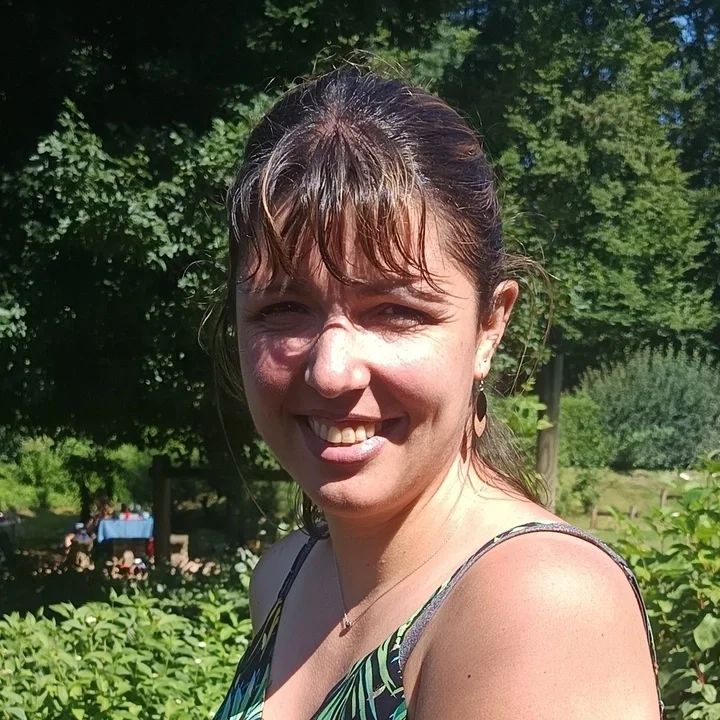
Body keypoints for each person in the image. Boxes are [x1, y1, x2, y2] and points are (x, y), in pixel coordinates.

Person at [211, 68, 663, 720]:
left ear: (489, 327)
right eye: (283, 309)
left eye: (396, 311)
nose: (331, 372)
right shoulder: (286, 575)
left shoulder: (540, 607)